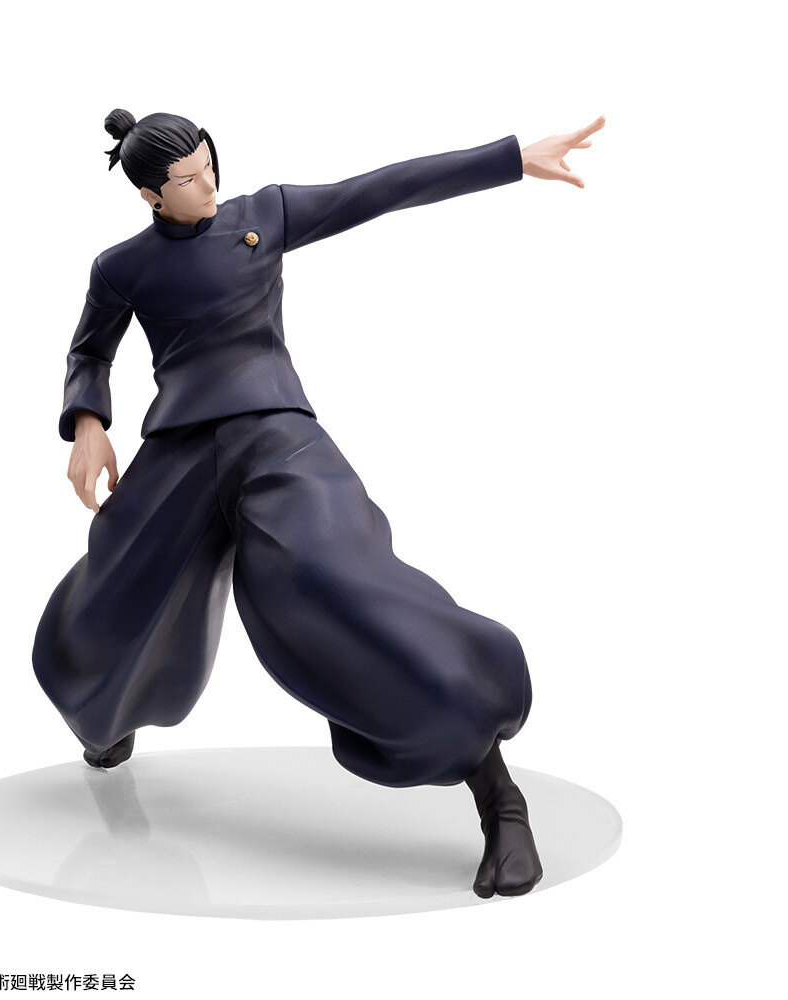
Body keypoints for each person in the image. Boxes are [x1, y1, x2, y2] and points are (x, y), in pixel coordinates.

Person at [33, 108, 605, 898]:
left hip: (277, 435)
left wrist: (511, 158)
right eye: (187, 180)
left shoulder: (262, 216)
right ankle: (106, 720)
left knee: (341, 584)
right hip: (180, 447)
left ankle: (497, 795)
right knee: (120, 584)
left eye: (209, 166)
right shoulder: (120, 266)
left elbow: (380, 188)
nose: (208, 186)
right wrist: (89, 424)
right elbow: (90, 350)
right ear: (149, 196)